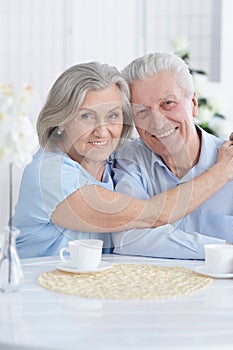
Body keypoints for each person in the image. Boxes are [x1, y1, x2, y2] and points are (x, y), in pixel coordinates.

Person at [12, 61, 233, 258]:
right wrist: (222, 171)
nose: (102, 131)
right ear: (61, 120)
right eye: (86, 116)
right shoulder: (51, 174)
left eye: (113, 115)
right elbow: (151, 217)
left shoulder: (115, 159)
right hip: (35, 292)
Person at [112, 52, 233, 259]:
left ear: (193, 104)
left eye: (168, 103)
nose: (157, 123)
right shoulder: (130, 161)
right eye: (142, 112)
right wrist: (223, 250)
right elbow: (127, 238)